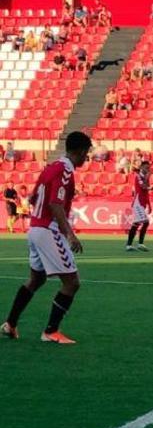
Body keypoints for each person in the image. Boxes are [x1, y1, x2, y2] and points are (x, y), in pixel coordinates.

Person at [1, 131, 92, 344]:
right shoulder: (65, 170)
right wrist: (69, 234)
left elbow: (34, 197)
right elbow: (55, 203)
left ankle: (10, 324)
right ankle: (51, 331)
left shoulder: (51, 167)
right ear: (78, 151)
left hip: (34, 229)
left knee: (36, 279)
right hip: (48, 230)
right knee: (72, 283)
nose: (86, 158)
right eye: (86, 153)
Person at [125, 161, 153, 252]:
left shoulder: (145, 177)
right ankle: (139, 244)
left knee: (138, 223)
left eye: (148, 168)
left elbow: (146, 192)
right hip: (137, 202)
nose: (147, 169)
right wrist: (148, 179)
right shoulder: (138, 176)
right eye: (146, 168)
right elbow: (144, 187)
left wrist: (149, 204)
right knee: (145, 222)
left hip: (142, 203)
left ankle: (129, 245)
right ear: (141, 167)